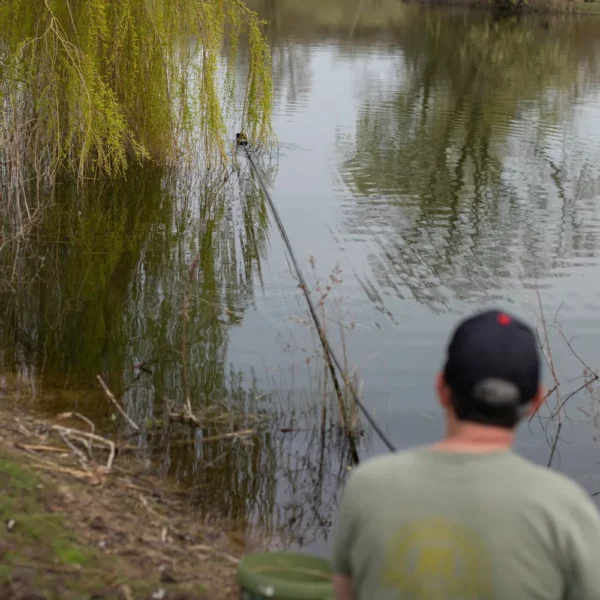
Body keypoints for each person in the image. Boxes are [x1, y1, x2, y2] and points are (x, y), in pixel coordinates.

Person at [330, 308, 600, 600]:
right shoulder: (566, 507)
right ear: (536, 400)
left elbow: (346, 593)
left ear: (441, 388)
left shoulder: (367, 486)